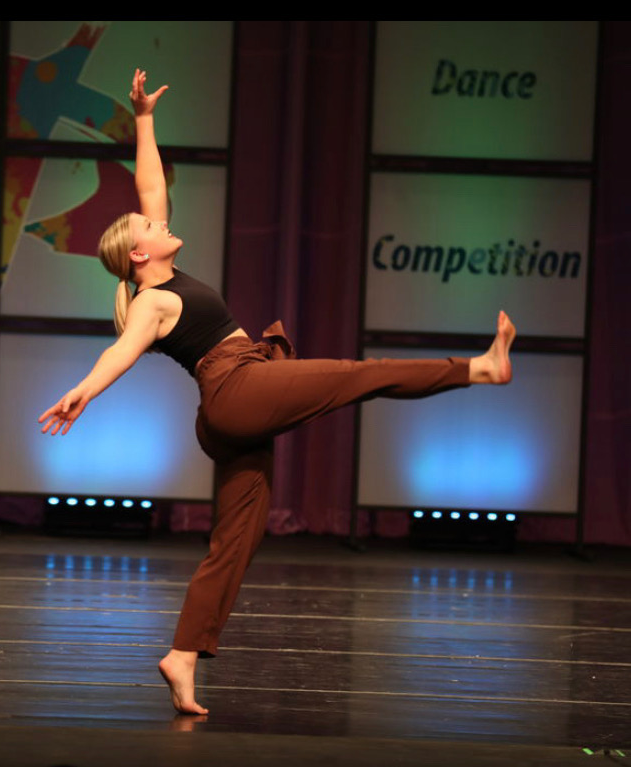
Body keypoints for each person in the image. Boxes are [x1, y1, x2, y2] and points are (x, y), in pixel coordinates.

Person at [39, 69, 517, 716]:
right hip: (237, 387)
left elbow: (150, 181)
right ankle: (480, 369)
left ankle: (182, 654)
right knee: (355, 374)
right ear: (138, 258)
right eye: (144, 226)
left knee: (238, 532)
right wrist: (83, 392)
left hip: (230, 405)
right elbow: (120, 352)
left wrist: (144, 118)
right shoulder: (150, 301)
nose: (157, 219)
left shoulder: (154, 273)